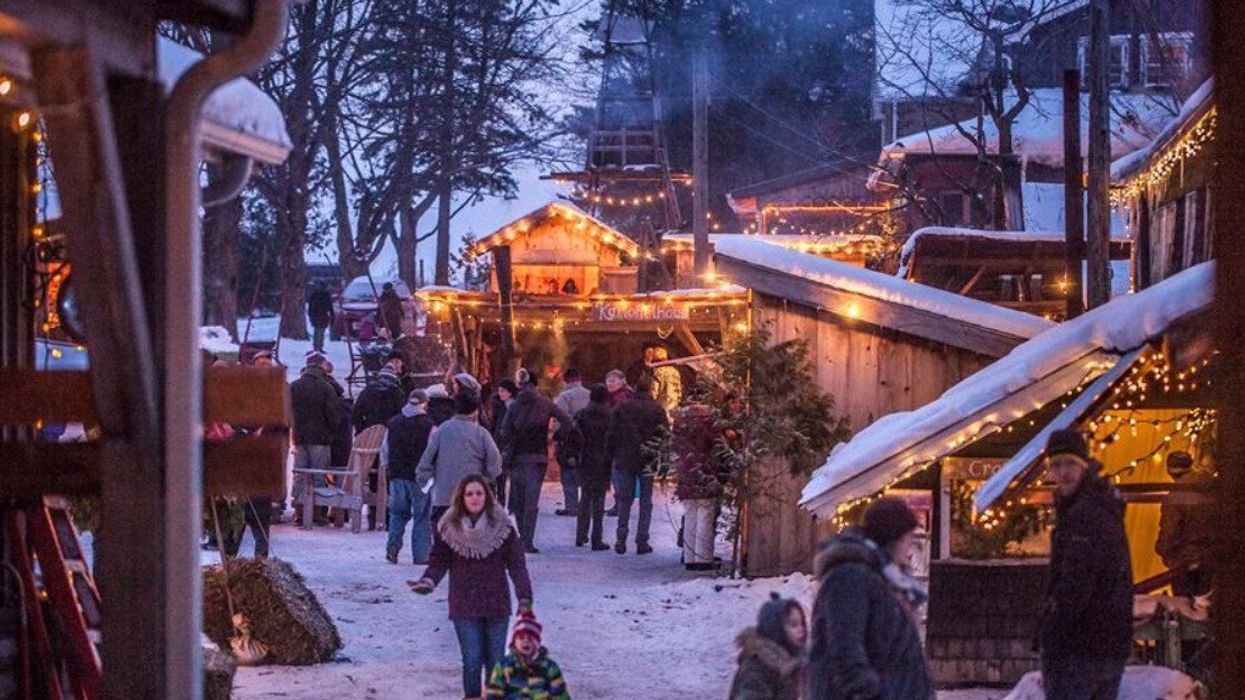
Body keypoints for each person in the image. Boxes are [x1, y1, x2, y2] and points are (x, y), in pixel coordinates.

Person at [409, 475, 533, 700]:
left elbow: (517, 564)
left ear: (487, 496)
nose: (474, 498)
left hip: (496, 604)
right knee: (472, 661)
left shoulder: (502, 526)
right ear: (461, 497)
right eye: (469, 494)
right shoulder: (448, 527)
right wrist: (427, 581)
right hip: (464, 604)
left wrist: (524, 597)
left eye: (479, 493)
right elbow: (438, 561)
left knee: (495, 661)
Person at [808, 497, 934, 700]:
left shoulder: (886, 581)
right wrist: (872, 693)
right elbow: (844, 651)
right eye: (907, 538)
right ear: (893, 538)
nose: (910, 548)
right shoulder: (850, 577)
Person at [1039, 429, 1132, 700]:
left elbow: (1076, 584)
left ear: (1083, 465)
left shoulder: (1084, 515)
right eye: (1056, 465)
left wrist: (1051, 632)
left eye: (1070, 463)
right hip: (1108, 645)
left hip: (1078, 647)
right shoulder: (1104, 507)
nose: (1063, 472)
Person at [498, 368, 574, 554]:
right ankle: (527, 540)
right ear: (536, 384)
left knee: (519, 497)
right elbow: (566, 421)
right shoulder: (545, 403)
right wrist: (556, 436)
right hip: (538, 457)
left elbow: (504, 431)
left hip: (517, 457)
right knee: (532, 500)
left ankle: (522, 535)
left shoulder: (514, 406)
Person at [416, 391, 504, 526]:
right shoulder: (481, 433)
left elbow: (426, 461)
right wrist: (487, 479)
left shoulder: (442, 430)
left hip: (444, 497)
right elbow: (495, 463)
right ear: (474, 411)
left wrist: (426, 482)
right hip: (471, 498)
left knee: (444, 541)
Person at [607, 374, 667, 555]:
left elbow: (612, 432)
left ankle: (621, 537)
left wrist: (611, 454)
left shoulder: (623, 407)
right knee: (646, 501)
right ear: (650, 389)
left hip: (625, 458)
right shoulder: (657, 409)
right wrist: (662, 461)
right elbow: (664, 436)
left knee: (624, 499)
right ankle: (642, 540)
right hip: (648, 459)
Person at [382, 389, 436, 565]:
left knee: (397, 513)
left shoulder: (393, 423)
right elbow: (432, 452)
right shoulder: (429, 425)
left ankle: (393, 546)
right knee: (422, 516)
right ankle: (421, 555)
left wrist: (388, 468)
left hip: (397, 475)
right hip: (420, 478)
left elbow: (385, 450)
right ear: (424, 403)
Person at [289, 352, 343, 525]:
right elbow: (333, 415)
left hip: (299, 438)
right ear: (321, 368)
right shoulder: (326, 387)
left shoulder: (294, 386)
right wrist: (331, 433)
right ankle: (318, 513)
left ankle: (299, 510)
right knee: (319, 475)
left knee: (300, 474)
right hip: (320, 439)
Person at [1156, 450, 1214, 597]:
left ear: (1169, 470)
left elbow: (1170, 532)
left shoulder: (1175, 496)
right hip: (1215, 557)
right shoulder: (1213, 487)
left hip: (1185, 562)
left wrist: (1162, 550)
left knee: (1186, 609)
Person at [729, 593, 808, 700]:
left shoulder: (798, 660)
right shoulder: (756, 669)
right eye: (794, 625)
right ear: (776, 629)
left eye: (802, 623)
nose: (801, 629)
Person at [673, 403, 722, 570]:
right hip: (704, 477)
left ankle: (689, 557)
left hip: (686, 478)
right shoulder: (709, 431)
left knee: (690, 518)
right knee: (705, 518)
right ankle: (703, 558)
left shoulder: (680, 430)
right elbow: (717, 451)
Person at [485, 610, 571, 700]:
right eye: (521, 638)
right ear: (514, 642)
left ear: (537, 643)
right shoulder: (503, 666)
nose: (525, 641)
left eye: (530, 638)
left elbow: (560, 694)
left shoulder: (549, 667)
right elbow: (494, 693)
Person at [573, 385, 613, 550]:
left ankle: (580, 535)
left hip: (585, 459)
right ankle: (597, 539)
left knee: (585, 497)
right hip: (603, 461)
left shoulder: (581, 414)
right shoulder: (610, 416)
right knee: (599, 500)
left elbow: (573, 436)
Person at [553, 368, 591, 517]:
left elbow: (560, 418)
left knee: (568, 475)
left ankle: (571, 506)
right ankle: (586, 507)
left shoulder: (564, 396)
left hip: (569, 441)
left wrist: (558, 437)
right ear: (579, 378)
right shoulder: (589, 394)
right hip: (588, 440)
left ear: (565, 379)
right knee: (585, 474)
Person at [352, 362, 406, 435]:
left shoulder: (368, 390)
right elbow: (402, 415)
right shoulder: (398, 392)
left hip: (369, 433)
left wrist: (362, 429)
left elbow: (356, 412)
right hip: (389, 433)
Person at [489, 379, 519, 504]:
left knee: (513, 475)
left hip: (514, 443)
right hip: (499, 443)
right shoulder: (497, 405)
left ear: (510, 392)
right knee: (500, 474)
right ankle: (500, 500)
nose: (500, 393)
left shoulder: (517, 406)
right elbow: (493, 424)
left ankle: (512, 502)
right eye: (499, 390)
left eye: (503, 391)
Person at [649, 345, 682, 418]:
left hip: (661, 406)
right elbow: (679, 390)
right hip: (673, 405)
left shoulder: (657, 372)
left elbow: (654, 392)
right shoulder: (675, 371)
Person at [308, 283, 334, 353]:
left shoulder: (314, 295)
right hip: (322, 315)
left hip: (317, 315)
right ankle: (318, 347)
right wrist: (331, 315)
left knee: (318, 331)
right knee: (320, 331)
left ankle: (317, 347)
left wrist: (310, 315)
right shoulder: (325, 295)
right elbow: (330, 306)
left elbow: (310, 306)